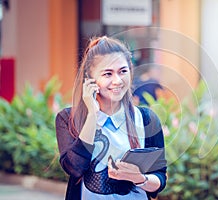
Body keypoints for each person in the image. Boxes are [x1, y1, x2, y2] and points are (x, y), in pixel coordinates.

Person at [55, 36, 167, 200]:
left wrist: (140, 178)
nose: (117, 81)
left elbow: (160, 178)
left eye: (123, 71)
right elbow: (74, 168)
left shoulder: (147, 120)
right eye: (107, 73)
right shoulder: (69, 118)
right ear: (90, 78)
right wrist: (92, 115)